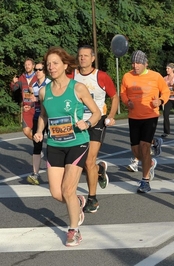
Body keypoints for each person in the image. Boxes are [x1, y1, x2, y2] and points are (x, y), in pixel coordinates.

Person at [33, 46, 101, 246]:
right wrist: (39, 131)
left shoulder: (77, 88)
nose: (51, 67)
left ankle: (73, 230)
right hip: (54, 144)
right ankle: (78, 202)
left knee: (67, 189)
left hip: (77, 143)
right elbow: (44, 116)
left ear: (65, 65)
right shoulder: (44, 91)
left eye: (55, 63)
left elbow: (96, 113)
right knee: (56, 193)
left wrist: (87, 123)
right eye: (48, 64)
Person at [71, 45, 119, 213]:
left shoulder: (102, 77)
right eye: (80, 55)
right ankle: (100, 170)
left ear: (92, 58)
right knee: (83, 162)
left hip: (96, 121)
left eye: (86, 56)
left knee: (89, 161)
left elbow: (114, 96)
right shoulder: (72, 76)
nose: (82, 58)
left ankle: (93, 199)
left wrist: (111, 116)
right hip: (78, 123)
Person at [120, 50, 170, 193]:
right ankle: (151, 162)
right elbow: (123, 92)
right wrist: (126, 101)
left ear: (145, 64)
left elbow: (166, 91)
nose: (135, 65)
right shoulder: (127, 76)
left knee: (144, 146)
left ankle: (145, 181)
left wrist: (160, 101)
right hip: (134, 117)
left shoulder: (155, 76)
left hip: (150, 115)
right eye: (133, 62)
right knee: (136, 151)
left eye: (138, 63)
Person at [26, 62, 52, 185]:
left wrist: (36, 99)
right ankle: (35, 174)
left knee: (52, 146)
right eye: (36, 69)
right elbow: (31, 101)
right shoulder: (34, 85)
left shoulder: (49, 84)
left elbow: (50, 100)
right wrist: (29, 105)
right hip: (38, 117)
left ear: (45, 71)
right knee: (37, 145)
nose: (37, 71)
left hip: (51, 118)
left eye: (40, 69)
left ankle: (55, 173)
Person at [10, 58, 38, 140]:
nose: (27, 66)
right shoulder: (22, 77)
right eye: (25, 65)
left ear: (33, 66)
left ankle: (38, 147)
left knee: (39, 130)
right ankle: (37, 142)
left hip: (37, 108)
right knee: (26, 131)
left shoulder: (38, 76)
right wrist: (13, 82)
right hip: (26, 109)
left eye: (29, 64)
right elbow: (14, 88)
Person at [162, 63, 174, 138]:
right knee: (165, 114)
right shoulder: (164, 78)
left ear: (172, 69)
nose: (166, 70)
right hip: (168, 98)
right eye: (166, 68)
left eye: (168, 68)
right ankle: (166, 131)